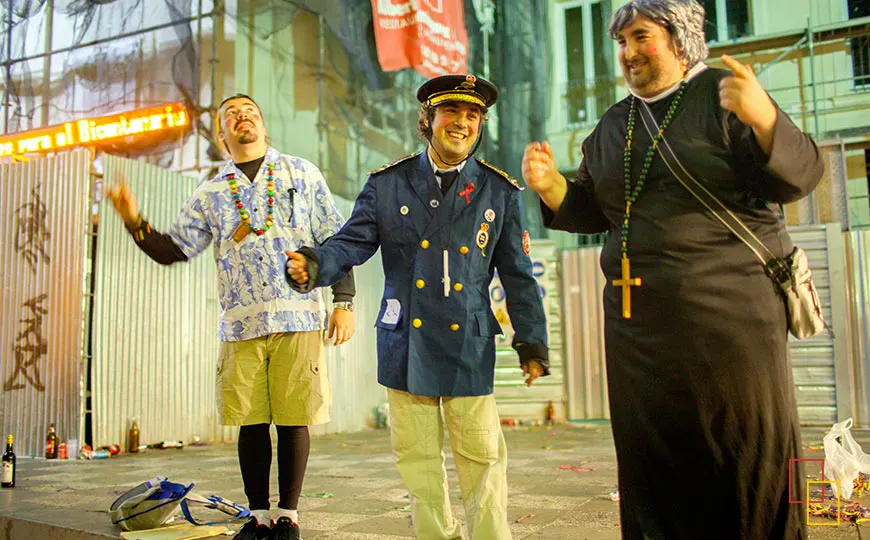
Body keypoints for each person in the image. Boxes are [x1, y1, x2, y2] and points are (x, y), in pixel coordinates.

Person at [522, 1, 823, 538]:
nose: (629, 53)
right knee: (653, 463)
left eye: (641, 36)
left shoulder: (724, 96)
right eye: (621, 42)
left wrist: (767, 120)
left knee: (743, 458)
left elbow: (799, 178)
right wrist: (553, 188)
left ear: (679, 39)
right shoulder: (615, 123)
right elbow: (598, 207)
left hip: (731, 327)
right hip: (640, 337)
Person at [285, 74, 549, 540]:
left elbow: (518, 277)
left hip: (468, 340)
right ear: (428, 120)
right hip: (406, 339)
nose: (462, 123)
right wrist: (314, 262)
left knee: (482, 456)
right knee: (418, 459)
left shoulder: (498, 192)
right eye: (451, 112)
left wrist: (530, 342)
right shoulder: (388, 185)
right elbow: (350, 242)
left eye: (473, 115)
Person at [106, 93, 356, 540]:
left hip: (298, 315)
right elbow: (174, 249)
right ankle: (258, 517)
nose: (243, 117)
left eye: (251, 112)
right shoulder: (211, 192)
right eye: (231, 115)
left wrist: (344, 302)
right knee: (251, 420)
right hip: (240, 322)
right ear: (223, 136)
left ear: (263, 125)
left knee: (293, 417)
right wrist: (134, 220)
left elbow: (335, 239)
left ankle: (288, 516)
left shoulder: (301, 173)